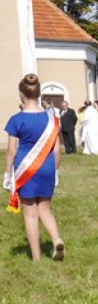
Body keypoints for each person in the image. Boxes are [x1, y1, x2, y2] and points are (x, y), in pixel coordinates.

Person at [3, 74, 65, 261]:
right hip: (46, 166)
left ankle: (37, 258)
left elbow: (11, 151)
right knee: (45, 209)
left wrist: (7, 175)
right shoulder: (53, 120)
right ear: (39, 94)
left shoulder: (16, 119)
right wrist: (55, 171)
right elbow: (56, 151)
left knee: (30, 214)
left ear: (22, 94)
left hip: (26, 168)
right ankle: (56, 239)